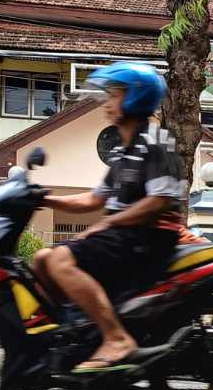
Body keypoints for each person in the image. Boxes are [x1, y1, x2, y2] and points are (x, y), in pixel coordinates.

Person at [31, 62, 185, 371]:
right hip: (125, 236)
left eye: (114, 95)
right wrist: (42, 199)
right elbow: (93, 198)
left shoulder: (156, 143)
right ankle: (74, 334)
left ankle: (116, 338)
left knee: (60, 259)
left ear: (135, 99)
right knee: (42, 259)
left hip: (148, 237)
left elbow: (159, 200)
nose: (107, 102)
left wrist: (110, 222)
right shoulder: (121, 151)